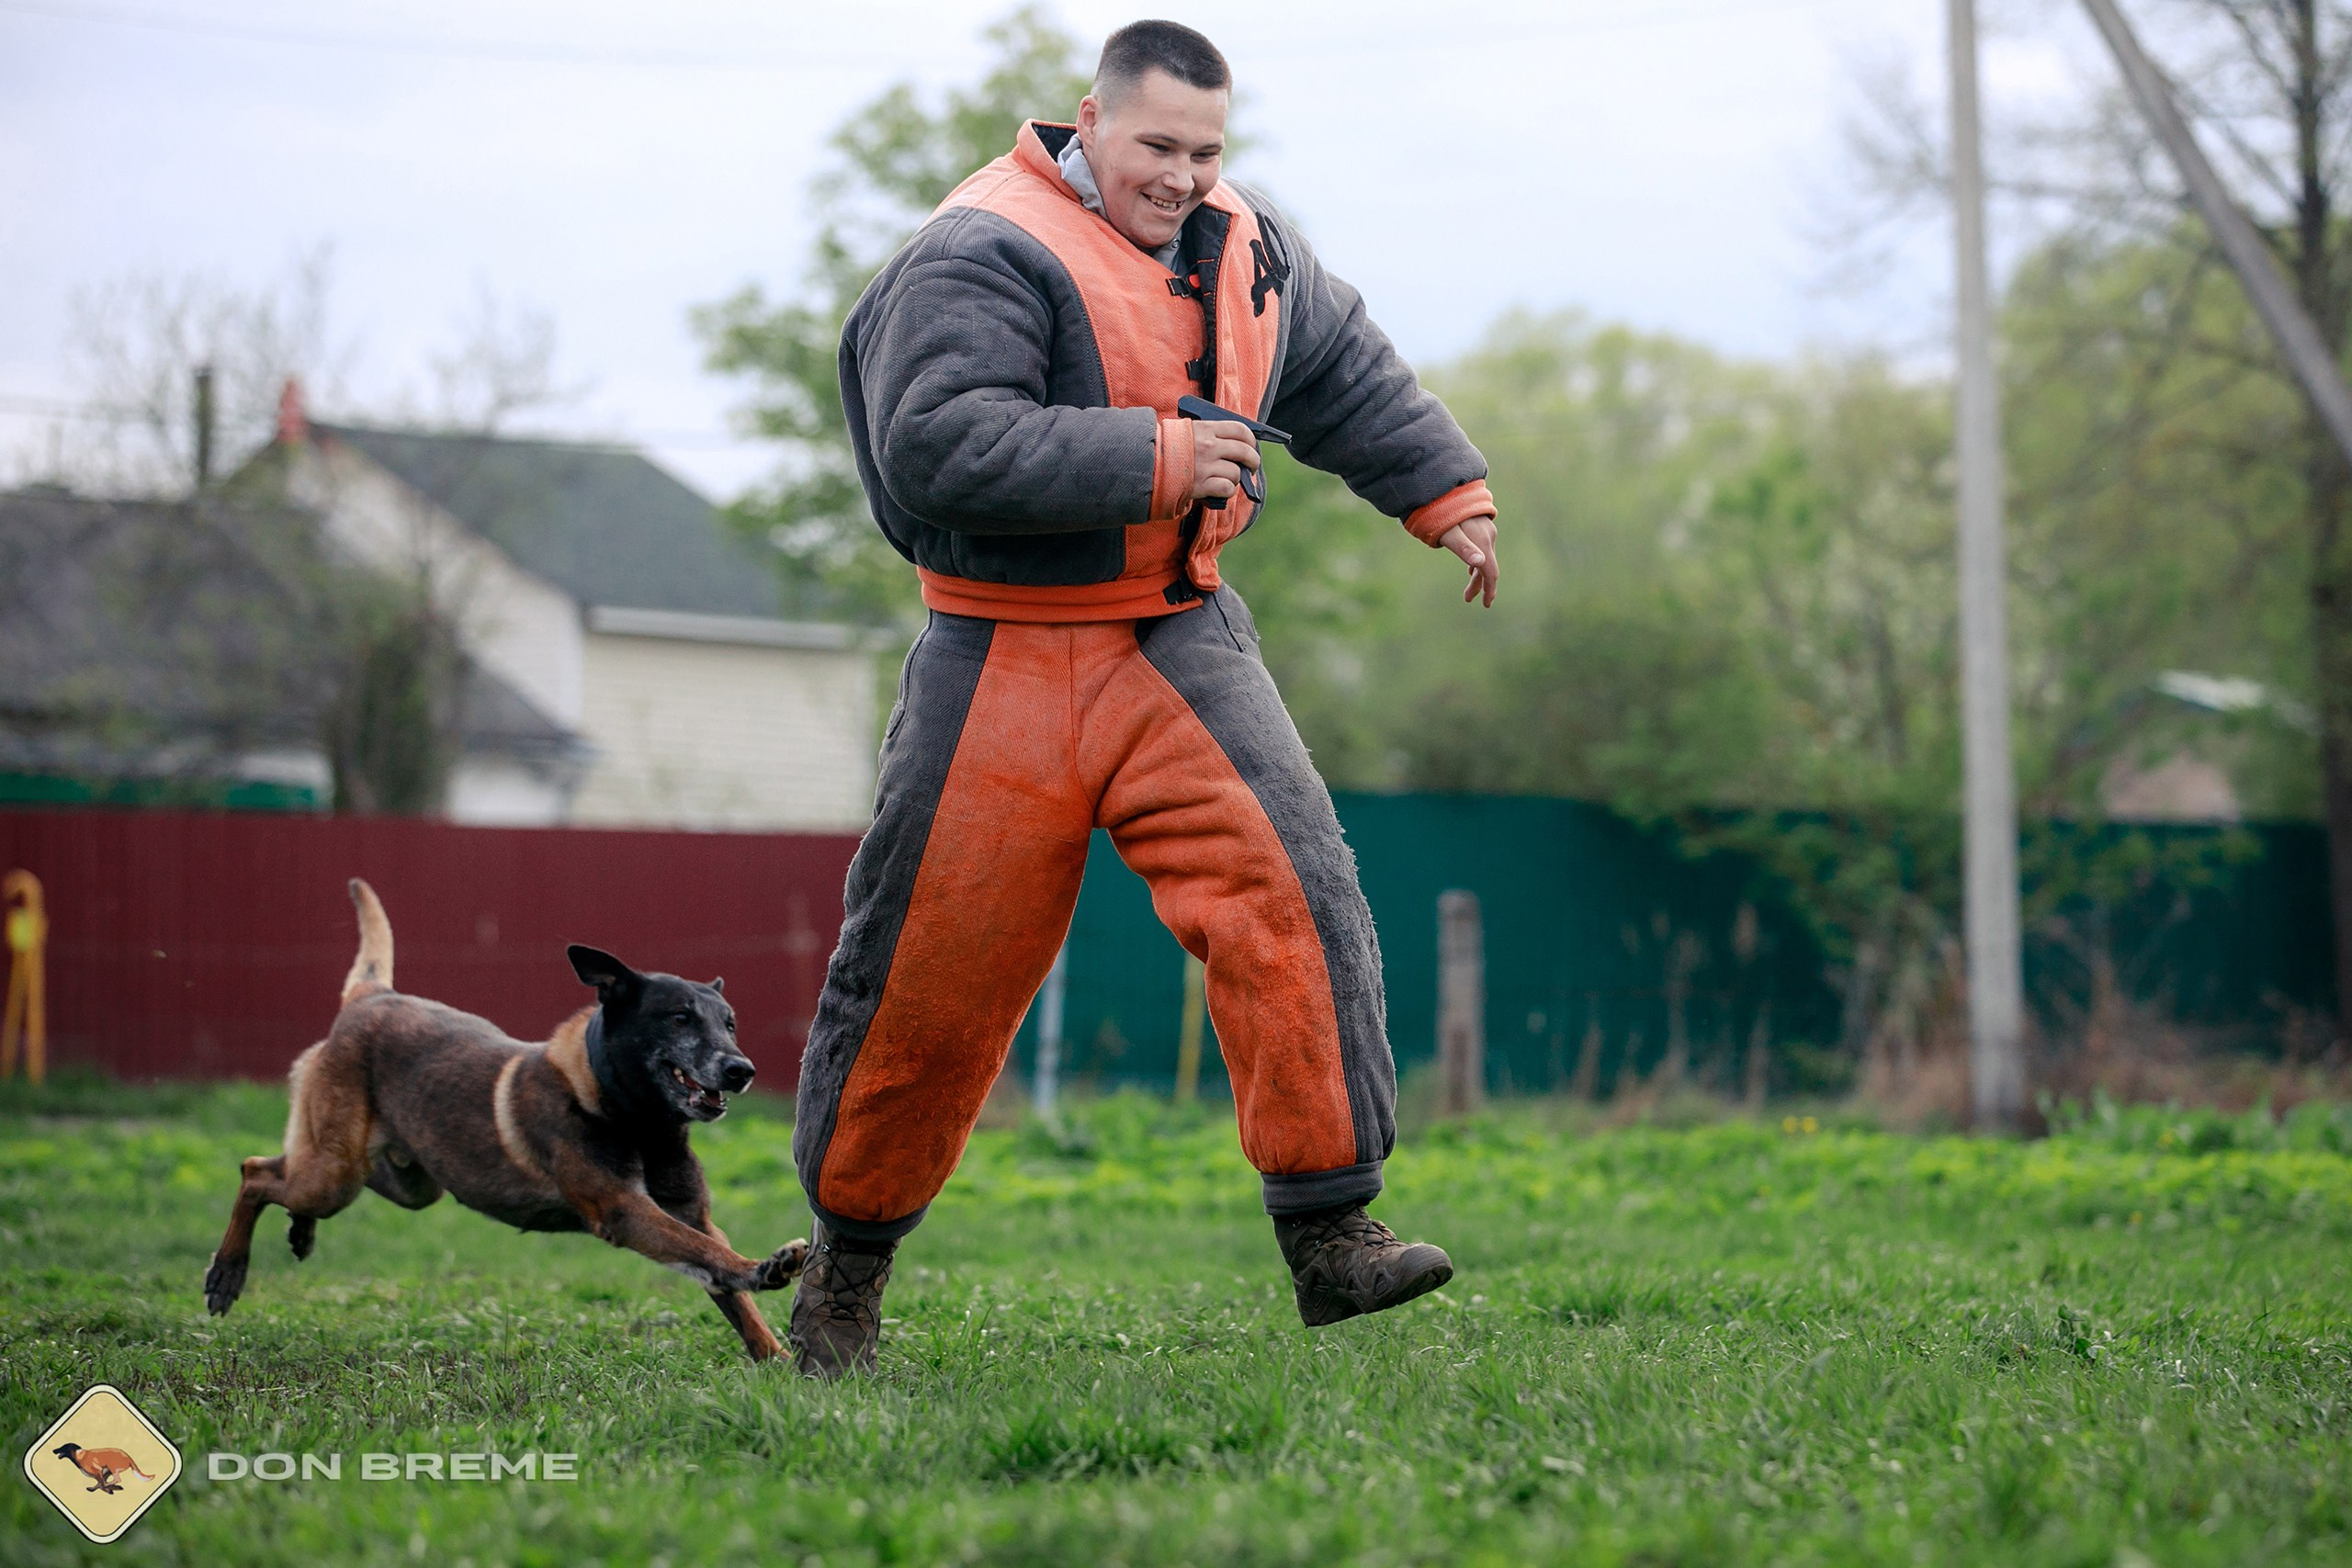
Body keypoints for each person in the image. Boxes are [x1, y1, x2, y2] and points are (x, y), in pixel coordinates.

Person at [787, 18, 1502, 1378]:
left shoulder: (1249, 242)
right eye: (1158, 147)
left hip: (1178, 636)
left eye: (1207, 152)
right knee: (926, 978)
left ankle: (1333, 1237)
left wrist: (1445, 493)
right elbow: (932, 443)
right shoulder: (979, 250)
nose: (1182, 177)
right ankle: (844, 1278)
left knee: (1294, 900)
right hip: (996, 653)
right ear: (1092, 121)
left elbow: (1342, 370)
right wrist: (1159, 460)